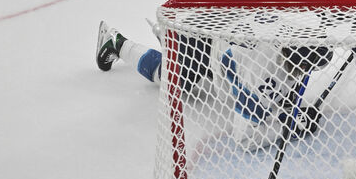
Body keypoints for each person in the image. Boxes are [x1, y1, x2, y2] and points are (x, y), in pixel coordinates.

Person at [95, 19, 333, 150]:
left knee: (226, 64)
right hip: (201, 43)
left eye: (310, 66)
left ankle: (172, 42)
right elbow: (245, 138)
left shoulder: (290, 34)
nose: (303, 71)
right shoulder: (258, 73)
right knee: (172, 79)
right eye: (303, 65)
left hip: (217, 30)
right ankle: (117, 43)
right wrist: (287, 126)